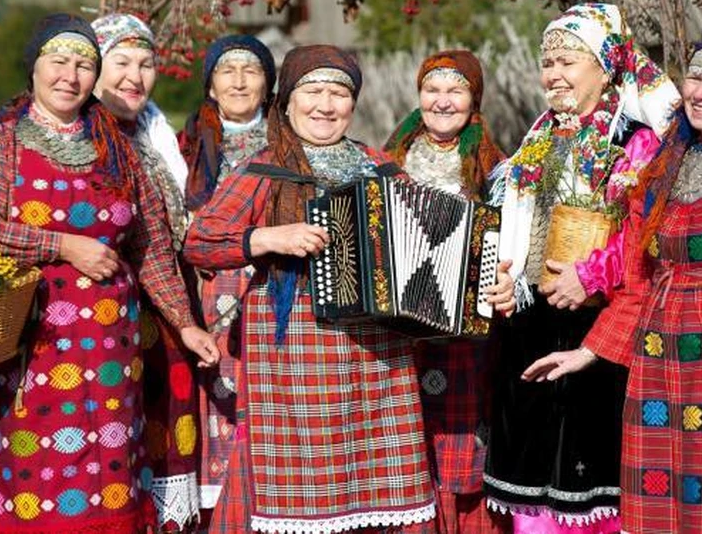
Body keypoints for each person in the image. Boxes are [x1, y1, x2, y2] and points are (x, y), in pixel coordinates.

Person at [184, 45, 513, 533]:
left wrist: (490, 283)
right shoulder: (262, 169)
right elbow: (201, 242)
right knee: (296, 487)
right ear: (288, 102)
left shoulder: (382, 167)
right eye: (312, 92)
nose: (325, 105)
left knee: (381, 482)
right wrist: (269, 237)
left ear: (353, 104)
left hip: (381, 360)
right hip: (295, 356)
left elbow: (438, 252)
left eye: (338, 93)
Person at [524, 26, 702, 534]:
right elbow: (641, 277)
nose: (700, 92)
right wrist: (589, 351)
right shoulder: (665, 167)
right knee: (655, 504)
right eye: (695, 77)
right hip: (658, 360)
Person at [0, 13, 219, 534]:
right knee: (35, 478)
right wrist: (63, 245)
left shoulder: (115, 147)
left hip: (110, 350)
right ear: (33, 68)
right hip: (33, 345)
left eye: (82, 65)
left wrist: (185, 322)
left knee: (109, 477)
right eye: (58, 62)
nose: (69, 76)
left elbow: (151, 249)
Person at [485, 3, 679, 533]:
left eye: (569, 61)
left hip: (601, 328)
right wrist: (506, 281)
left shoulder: (637, 143)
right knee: (533, 495)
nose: (554, 74)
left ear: (605, 67)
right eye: (548, 62)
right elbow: (514, 228)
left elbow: (645, 237)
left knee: (591, 489)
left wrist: (592, 274)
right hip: (532, 324)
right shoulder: (537, 140)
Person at [383, 49, 512, 534]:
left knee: (463, 437)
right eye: (432, 90)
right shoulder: (389, 159)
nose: (442, 101)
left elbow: (509, 237)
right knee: (409, 435)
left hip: (467, 329)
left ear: (473, 99)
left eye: (455, 91)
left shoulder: (492, 165)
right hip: (401, 327)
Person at [92, 12, 200, 532]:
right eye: (121, 62)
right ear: (94, 67)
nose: (135, 76)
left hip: (163, 316)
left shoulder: (157, 137)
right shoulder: (83, 136)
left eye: (146, 63)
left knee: (164, 442)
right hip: (105, 321)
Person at [176, 35, 275, 521]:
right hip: (208, 295)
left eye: (251, 71)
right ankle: (223, 517)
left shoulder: (289, 142)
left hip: (276, 293)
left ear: (268, 83)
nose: (238, 81)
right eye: (227, 71)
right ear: (210, 85)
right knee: (217, 403)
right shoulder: (185, 148)